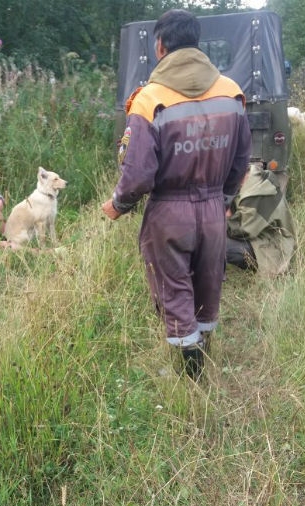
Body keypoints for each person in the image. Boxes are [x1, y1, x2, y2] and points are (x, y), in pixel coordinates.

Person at [101, 9, 251, 380]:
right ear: (197, 43)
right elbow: (241, 160)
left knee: (173, 289)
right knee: (208, 286)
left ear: (160, 46)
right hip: (213, 209)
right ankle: (204, 362)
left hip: (169, 213)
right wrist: (224, 200)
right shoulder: (232, 92)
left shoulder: (150, 99)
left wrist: (118, 204)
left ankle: (190, 379)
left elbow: (138, 174)